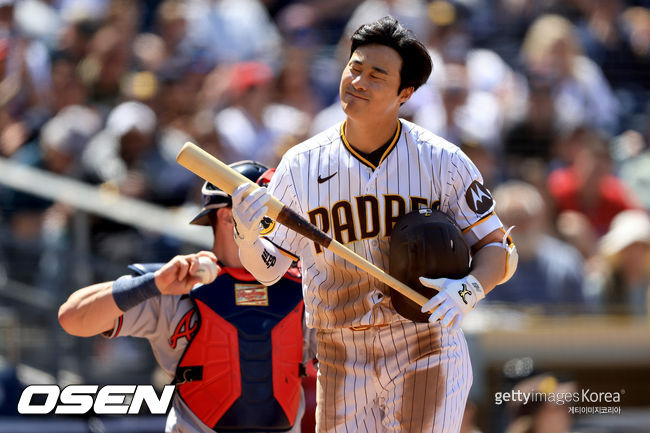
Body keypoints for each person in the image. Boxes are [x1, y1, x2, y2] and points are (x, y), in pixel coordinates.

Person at [230, 17, 517, 433]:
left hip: (425, 341)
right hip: (339, 350)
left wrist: (469, 290)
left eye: (376, 75)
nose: (358, 81)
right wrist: (247, 234)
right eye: (354, 68)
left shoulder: (441, 159)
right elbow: (269, 269)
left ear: (405, 93)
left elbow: (498, 247)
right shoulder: (301, 164)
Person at [58, 161, 308, 433]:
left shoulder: (302, 286)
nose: (282, 222)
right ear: (227, 217)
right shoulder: (179, 282)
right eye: (268, 211)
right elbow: (73, 318)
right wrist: (152, 284)